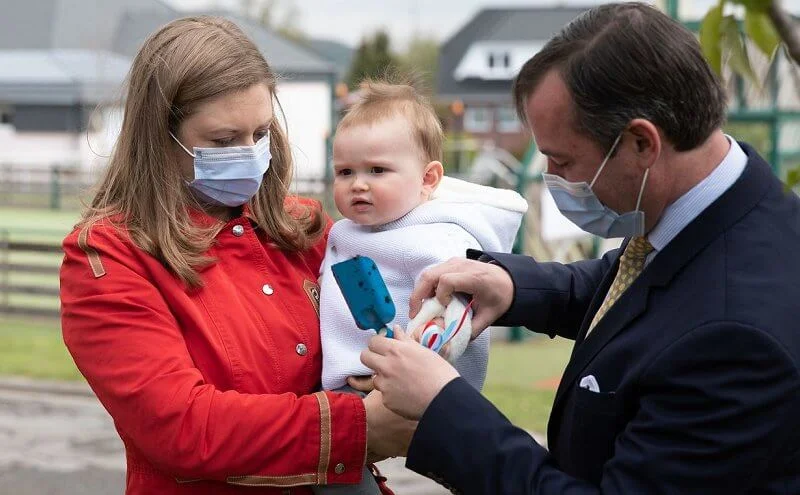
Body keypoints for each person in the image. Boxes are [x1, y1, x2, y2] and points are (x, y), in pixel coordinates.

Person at [361, 3, 800, 494]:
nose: (552, 178)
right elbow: (641, 289)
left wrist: (442, 405)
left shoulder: (736, 337)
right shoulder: (730, 210)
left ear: (641, 143)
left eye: (564, 161)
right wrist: (511, 287)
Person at [59, 16, 413, 495]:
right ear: (161, 139)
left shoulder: (304, 227)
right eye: (224, 141)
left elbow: (376, 325)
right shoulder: (109, 257)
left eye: (261, 133)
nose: (250, 153)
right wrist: (356, 428)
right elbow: (181, 427)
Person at [314, 80, 528, 494]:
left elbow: (451, 313)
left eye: (377, 170)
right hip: (349, 388)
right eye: (345, 172)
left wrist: (413, 360)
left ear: (428, 179)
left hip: (413, 385)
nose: (358, 183)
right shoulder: (344, 232)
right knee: (331, 474)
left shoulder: (436, 238)